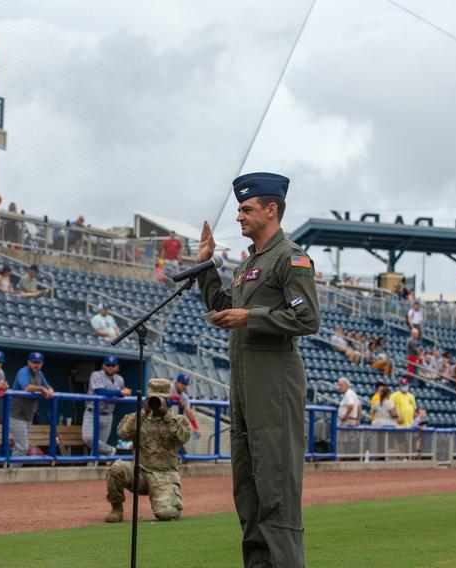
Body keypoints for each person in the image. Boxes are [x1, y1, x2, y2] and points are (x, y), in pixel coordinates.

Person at [197, 172, 319, 567]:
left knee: (277, 495)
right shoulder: (248, 265)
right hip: (245, 388)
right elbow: (223, 306)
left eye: (246, 209)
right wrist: (204, 267)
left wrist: (252, 315)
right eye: (238, 209)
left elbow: (307, 318)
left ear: (271, 210)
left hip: (274, 387)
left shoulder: (291, 257)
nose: (239, 217)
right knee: (248, 494)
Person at [104, 379, 191, 523]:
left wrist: (166, 416)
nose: (156, 402)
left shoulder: (178, 420)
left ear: (167, 400)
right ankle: (116, 509)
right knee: (116, 469)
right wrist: (143, 413)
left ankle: (169, 501)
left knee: (166, 514)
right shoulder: (138, 418)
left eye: (159, 399)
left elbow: (184, 437)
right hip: (140, 473)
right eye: (153, 398)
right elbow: (122, 433)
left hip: (165, 475)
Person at [82, 356, 131, 456]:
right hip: (92, 412)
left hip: (108, 414)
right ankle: (112, 451)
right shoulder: (96, 375)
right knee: (88, 438)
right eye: (108, 365)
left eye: (113, 365)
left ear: (117, 367)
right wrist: (120, 392)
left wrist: (125, 393)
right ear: (104, 365)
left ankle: (92, 467)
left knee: (99, 448)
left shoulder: (119, 379)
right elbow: (100, 391)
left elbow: (122, 394)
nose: (110, 367)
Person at [9, 352, 53, 462]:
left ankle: (13, 473)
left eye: (38, 363)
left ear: (42, 364)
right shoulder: (23, 371)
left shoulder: (40, 374)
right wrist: (42, 389)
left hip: (28, 417)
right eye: (34, 362)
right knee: (22, 447)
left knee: (20, 447)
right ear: (28, 362)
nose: (36, 365)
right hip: (17, 416)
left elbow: (49, 387)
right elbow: (26, 387)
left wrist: (50, 390)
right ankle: (13, 474)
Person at [170, 374, 200, 440]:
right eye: (182, 383)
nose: (184, 386)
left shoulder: (184, 396)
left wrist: (196, 428)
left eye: (186, 384)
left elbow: (188, 411)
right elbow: (161, 397)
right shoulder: (169, 387)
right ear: (177, 382)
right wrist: (176, 397)